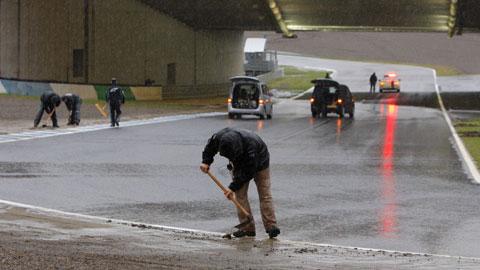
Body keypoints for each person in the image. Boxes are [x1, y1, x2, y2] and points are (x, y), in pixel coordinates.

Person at [200, 127, 280, 238]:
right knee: (240, 195)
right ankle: (247, 228)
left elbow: (248, 173)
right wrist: (206, 162)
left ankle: (271, 226)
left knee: (264, 194)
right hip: (238, 164)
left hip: (260, 161)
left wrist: (232, 187)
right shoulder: (219, 138)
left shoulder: (251, 147)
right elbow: (210, 148)